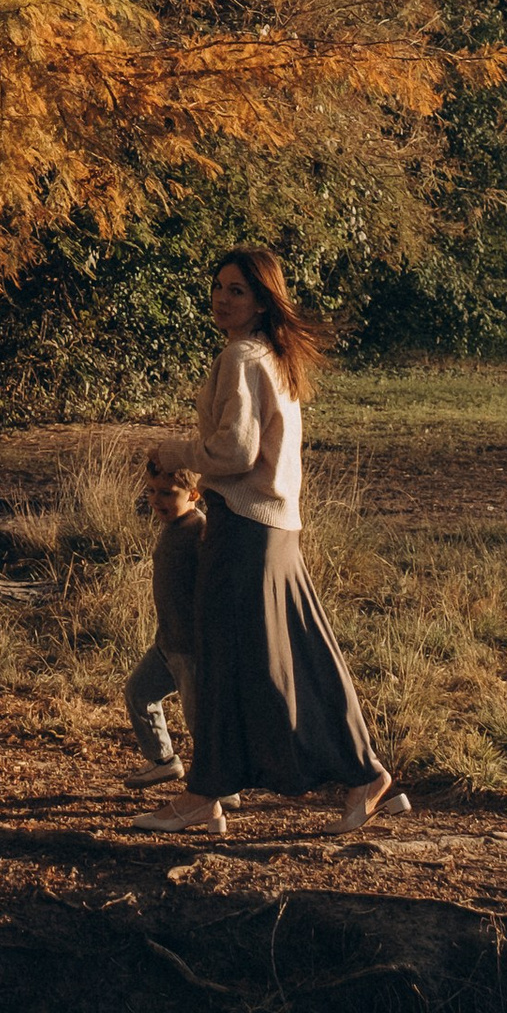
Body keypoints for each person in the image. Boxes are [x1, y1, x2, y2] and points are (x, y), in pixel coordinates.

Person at [174, 245, 407, 838]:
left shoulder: (243, 357)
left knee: (240, 659)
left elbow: (235, 452)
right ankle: (212, 792)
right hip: (272, 524)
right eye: (219, 286)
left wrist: (174, 455)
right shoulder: (272, 355)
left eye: (237, 291)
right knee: (292, 652)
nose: (223, 300)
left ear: (261, 302)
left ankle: (357, 773)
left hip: (246, 525)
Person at [116, 448, 207, 787]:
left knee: (200, 721)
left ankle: (216, 787)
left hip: (191, 649)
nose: (157, 500)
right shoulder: (172, 526)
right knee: (139, 693)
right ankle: (163, 760)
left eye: (168, 494)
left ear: (193, 494)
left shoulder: (200, 531)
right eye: (152, 491)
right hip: (166, 643)